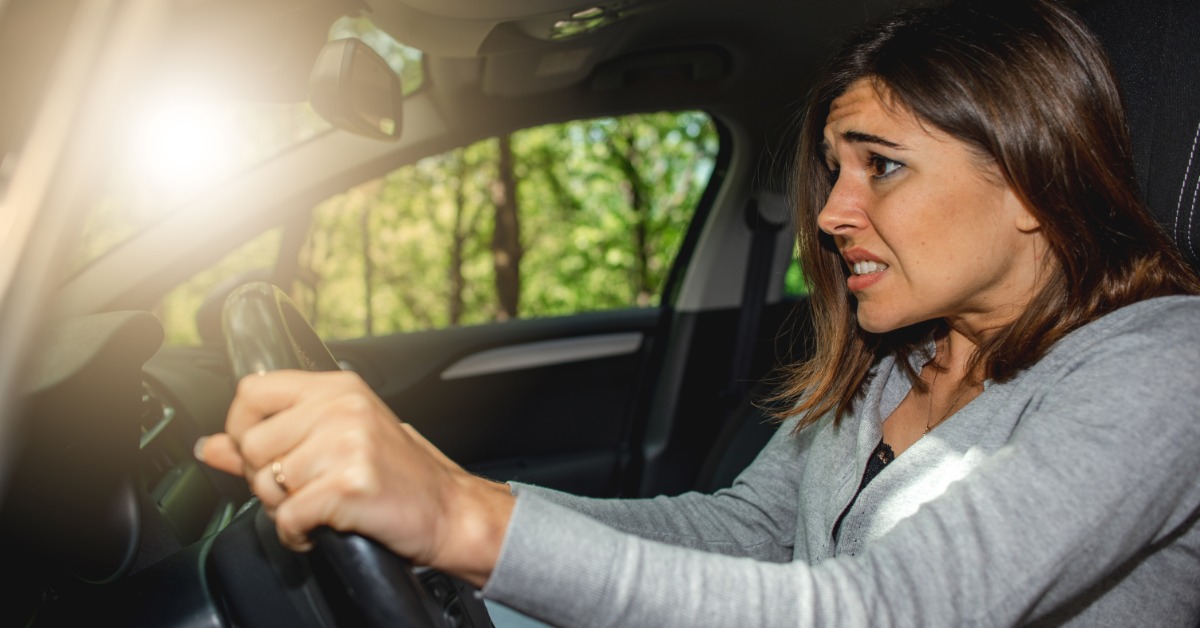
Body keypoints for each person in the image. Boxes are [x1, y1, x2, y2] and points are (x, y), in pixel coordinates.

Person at [196, 0, 1200, 625]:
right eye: (833, 166)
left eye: (882, 166)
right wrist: (443, 486)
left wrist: (464, 519)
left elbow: (879, 612)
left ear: (1030, 184)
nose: (837, 209)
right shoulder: (903, 357)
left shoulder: (1165, 368)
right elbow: (741, 528)